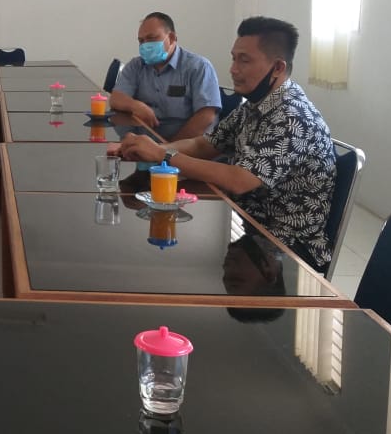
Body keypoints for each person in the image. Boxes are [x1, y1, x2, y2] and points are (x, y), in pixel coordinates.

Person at [112, 16, 336, 272]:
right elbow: (204, 145)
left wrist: (163, 155)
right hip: (246, 220)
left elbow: (239, 180)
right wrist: (151, 149)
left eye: (244, 60)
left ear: (277, 68)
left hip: (283, 245)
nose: (233, 69)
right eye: (234, 59)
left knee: (164, 260)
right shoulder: (256, 105)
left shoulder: (291, 116)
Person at [109, 11, 222, 141]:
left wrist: (169, 148)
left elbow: (206, 117)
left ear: (172, 38)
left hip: (186, 145)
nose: (145, 45)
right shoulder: (136, 65)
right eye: (141, 41)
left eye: (151, 38)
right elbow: (116, 99)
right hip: (147, 141)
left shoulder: (199, 67)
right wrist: (136, 106)